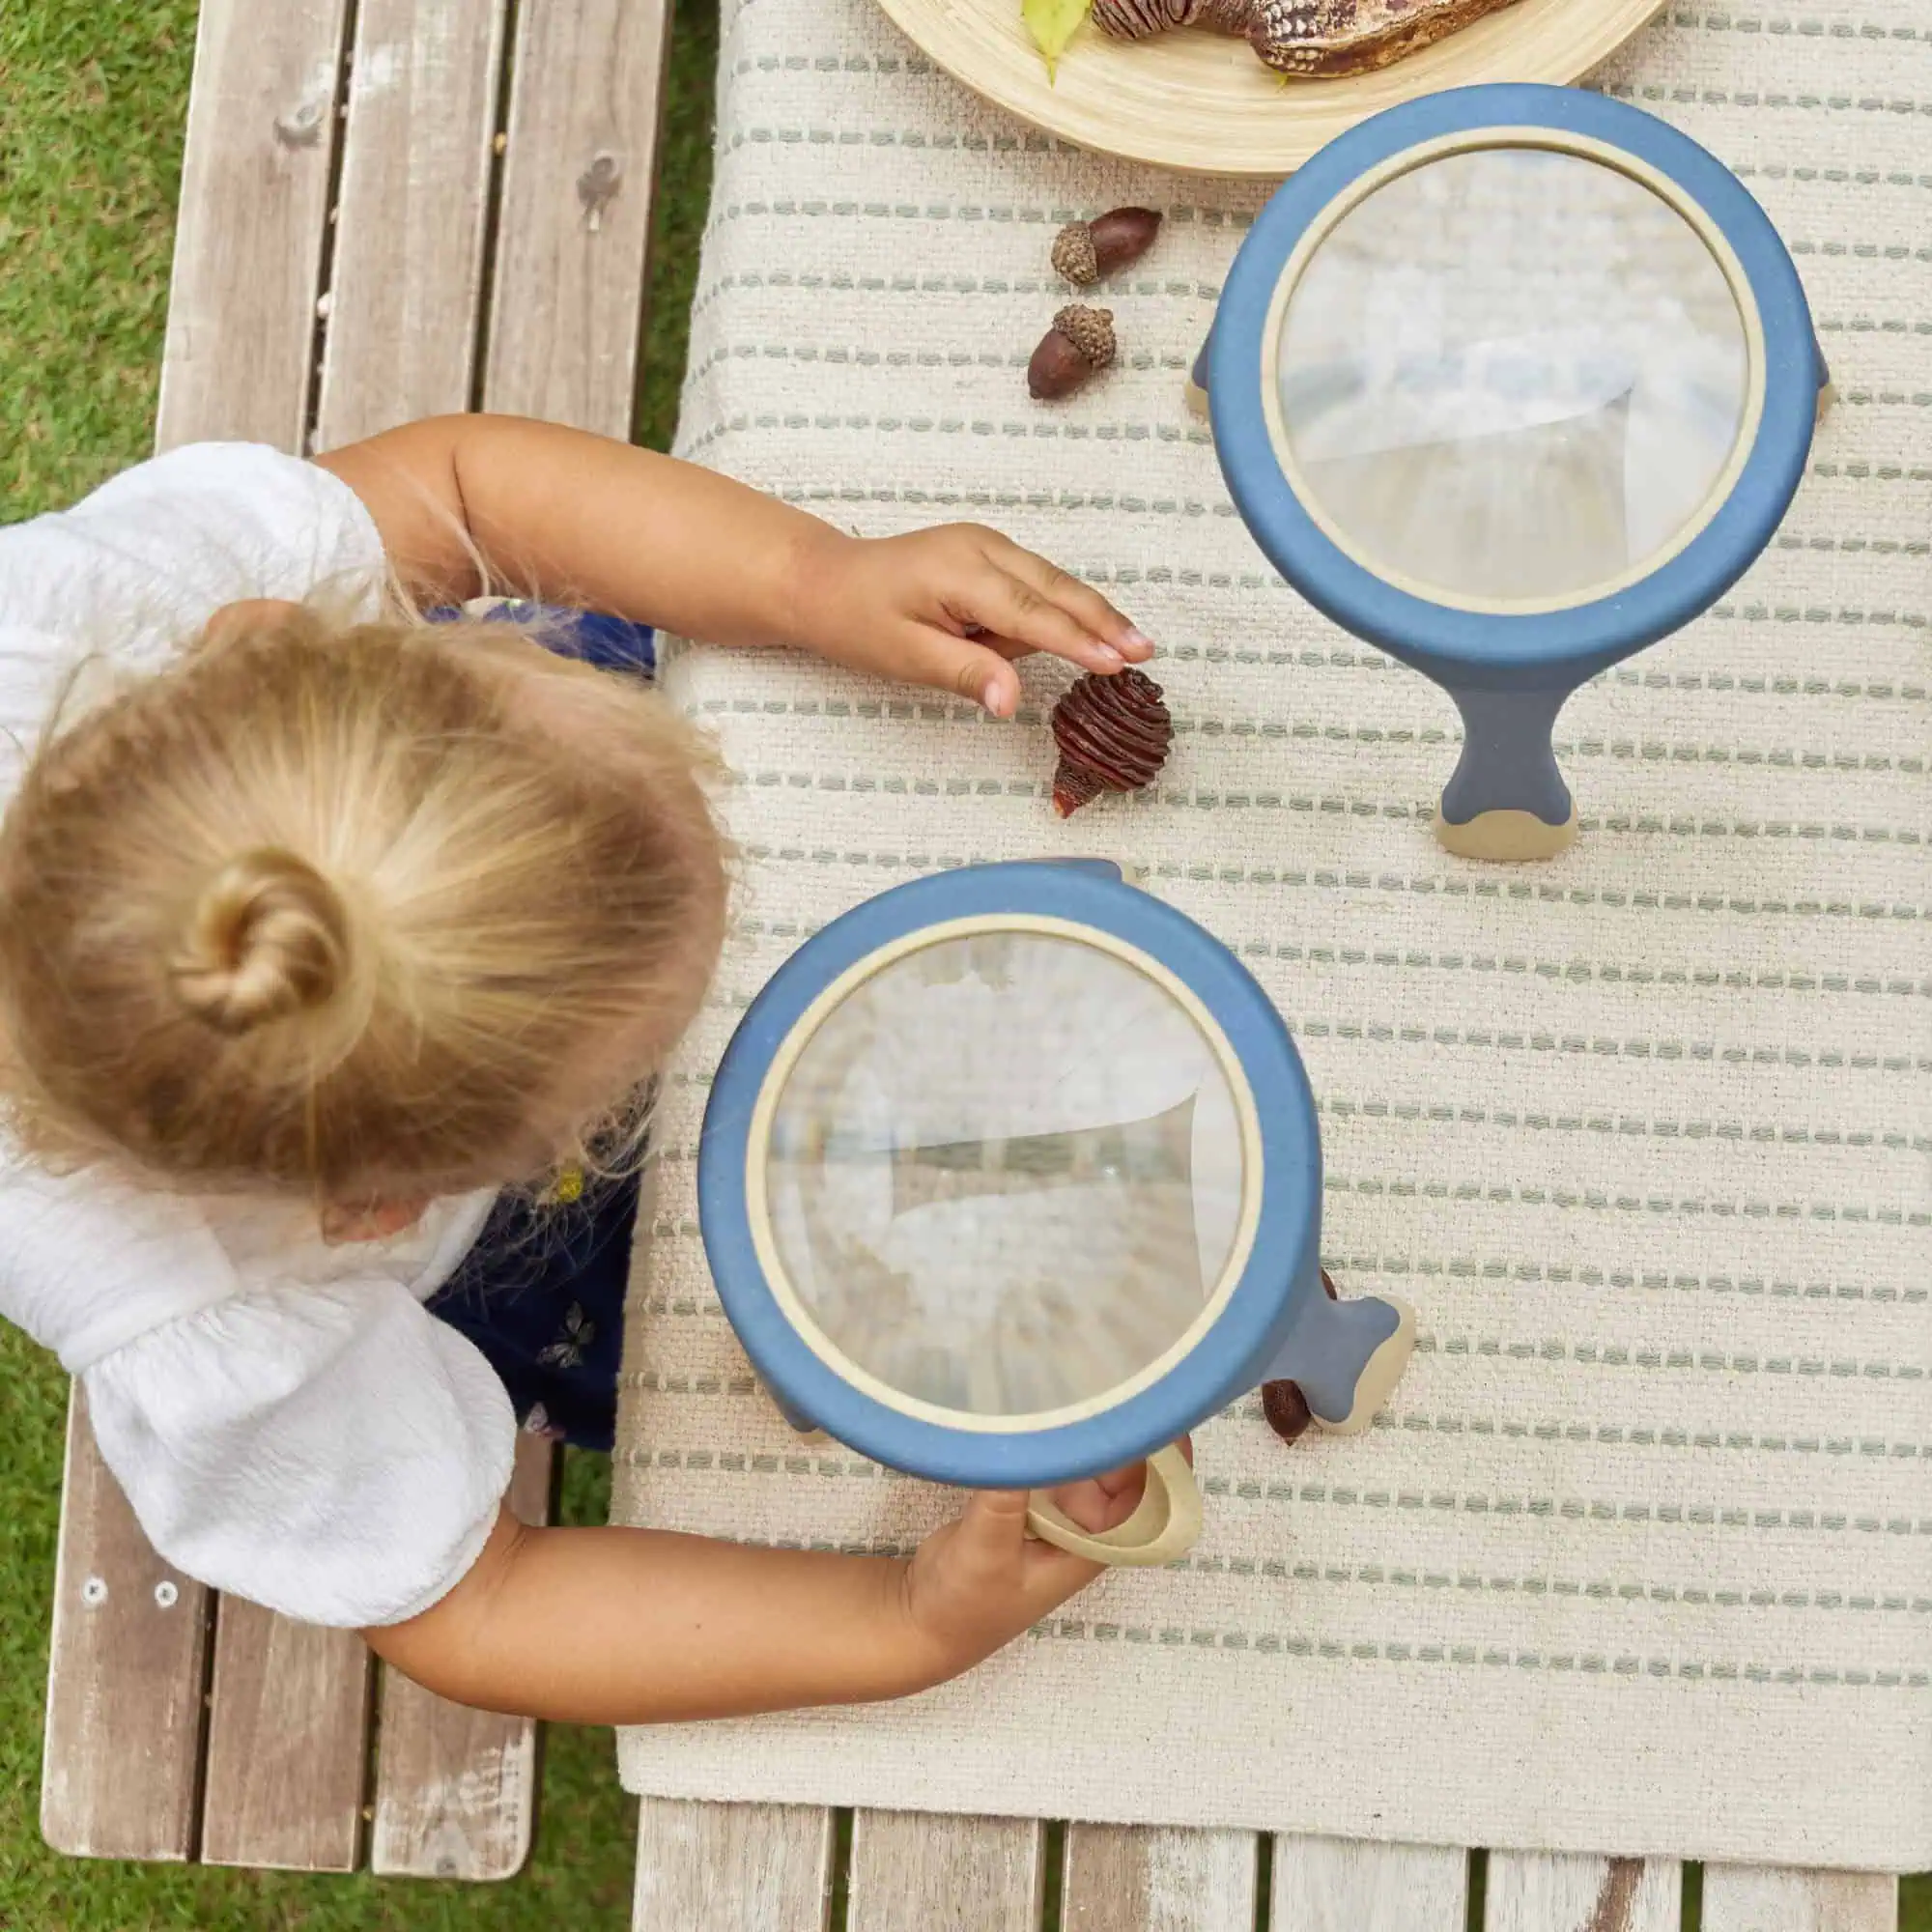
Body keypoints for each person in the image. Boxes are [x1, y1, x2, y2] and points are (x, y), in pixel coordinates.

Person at [0, 415, 1175, 1724]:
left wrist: (815, 581)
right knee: (650, 1319)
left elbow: (458, 491)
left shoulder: (79, 616)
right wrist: (904, 1623)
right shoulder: (222, 1324)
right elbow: (476, 1600)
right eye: (612, 1083)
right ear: (379, 1207)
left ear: (274, 634)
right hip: (497, 1246)